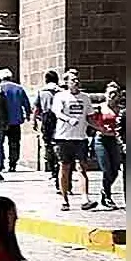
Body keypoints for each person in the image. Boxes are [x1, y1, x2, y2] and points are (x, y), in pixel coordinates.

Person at [52, 77, 98, 211]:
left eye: (77, 80)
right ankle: (64, 199)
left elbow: (89, 116)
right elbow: (57, 112)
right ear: (67, 83)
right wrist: (68, 119)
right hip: (64, 138)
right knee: (64, 168)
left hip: (80, 138)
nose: (76, 82)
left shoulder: (85, 97)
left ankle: (85, 199)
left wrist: (100, 128)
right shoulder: (61, 96)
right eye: (72, 80)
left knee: (82, 168)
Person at [89, 85, 122, 209]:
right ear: (105, 94)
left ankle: (104, 191)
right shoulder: (100, 107)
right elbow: (89, 120)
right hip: (101, 140)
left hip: (114, 140)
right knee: (106, 168)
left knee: (115, 169)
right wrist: (100, 128)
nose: (112, 95)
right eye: (110, 93)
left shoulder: (120, 109)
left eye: (115, 93)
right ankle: (107, 196)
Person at [32, 70, 63, 194]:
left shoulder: (41, 91)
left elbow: (36, 108)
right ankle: (58, 167)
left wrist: (34, 121)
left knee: (48, 145)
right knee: (60, 142)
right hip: (59, 118)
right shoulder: (61, 91)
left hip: (47, 119)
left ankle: (53, 169)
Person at [0, 69, 31, 172]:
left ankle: (0, 162)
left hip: (0, 121)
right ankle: (13, 163)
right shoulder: (18, 88)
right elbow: (26, 103)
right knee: (14, 143)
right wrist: (28, 114)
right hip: (15, 120)